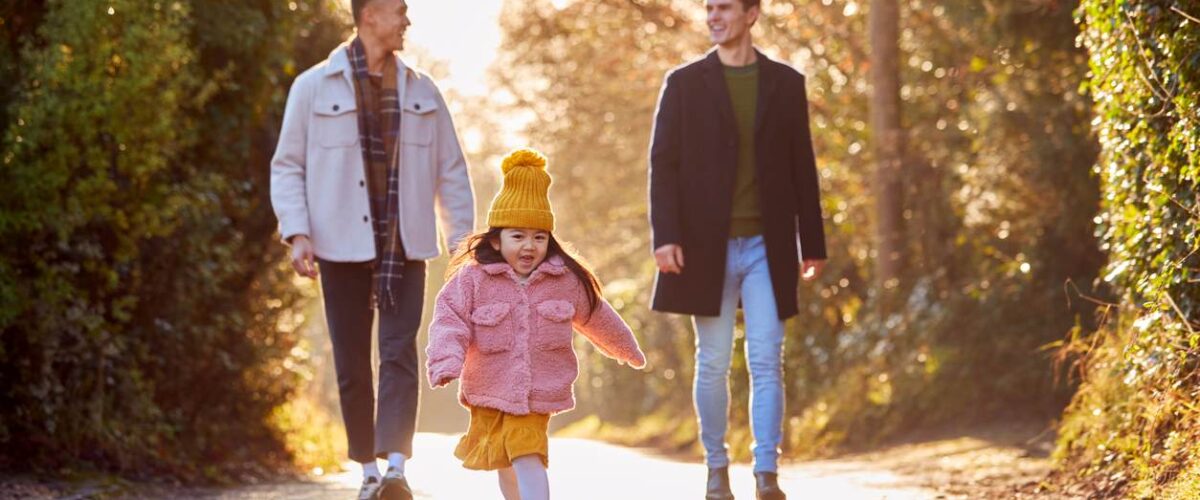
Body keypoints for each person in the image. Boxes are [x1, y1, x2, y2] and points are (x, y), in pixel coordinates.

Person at [269, 0, 474, 497]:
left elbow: (452, 170)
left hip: (406, 245)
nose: (407, 19)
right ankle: (366, 471)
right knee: (352, 360)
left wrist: (463, 241)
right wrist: (298, 232)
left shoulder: (423, 90)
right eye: (398, 9)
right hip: (339, 245)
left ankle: (398, 468)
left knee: (399, 351)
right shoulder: (313, 86)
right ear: (368, 14)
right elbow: (288, 165)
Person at [647, 0, 828, 498]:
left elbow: (801, 165)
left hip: (767, 248)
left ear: (752, 14)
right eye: (708, 8)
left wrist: (811, 242)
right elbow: (663, 165)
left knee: (768, 359)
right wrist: (665, 236)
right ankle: (716, 467)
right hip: (705, 249)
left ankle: (766, 472)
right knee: (712, 361)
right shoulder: (683, 84)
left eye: (723, 7)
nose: (713, 17)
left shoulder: (786, 84)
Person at [426, 149, 646, 500]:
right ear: (496, 240)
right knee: (505, 462)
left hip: (537, 394)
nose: (529, 245)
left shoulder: (564, 280)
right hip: (491, 388)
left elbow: (595, 314)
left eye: (539, 237)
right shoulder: (473, 280)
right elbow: (449, 320)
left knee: (528, 453)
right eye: (518, 236)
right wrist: (445, 360)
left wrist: (626, 348)